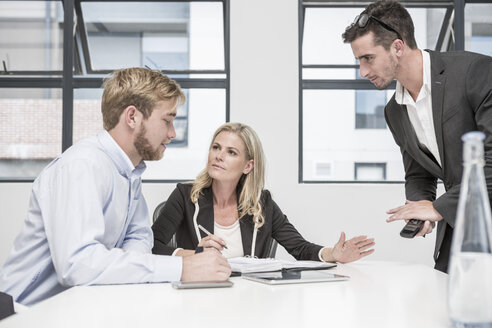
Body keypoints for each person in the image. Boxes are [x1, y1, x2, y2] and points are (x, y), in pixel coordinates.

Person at [0, 68, 230, 306]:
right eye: (167, 120)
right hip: (25, 313)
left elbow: (140, 236)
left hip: (77, 306)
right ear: (132, 117)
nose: (172, 133)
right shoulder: (82, 165)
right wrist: (182, 268)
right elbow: (77, 266)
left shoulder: (130, 171)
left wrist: (122, 261)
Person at [342, 1, 492, 272]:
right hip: (457, 235)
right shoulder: (394, 111)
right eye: (359, 61)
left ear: (397, 47)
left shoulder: (474, 73)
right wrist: (419, 209)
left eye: (368, 58)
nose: (363, 71)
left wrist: (438, 208)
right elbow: (419, 174)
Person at [152, 122, 375, 262]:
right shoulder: (185, 195)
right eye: (216, 147)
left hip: (251, 299)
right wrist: (195, 256)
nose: (219, 156)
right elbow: (150, 246)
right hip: (199, 293)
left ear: (248, 166)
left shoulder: (262, 203)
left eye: (231, 152)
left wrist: (332, 254)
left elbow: (299, 247)